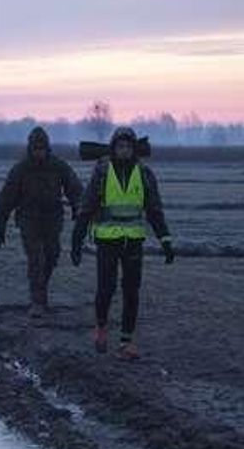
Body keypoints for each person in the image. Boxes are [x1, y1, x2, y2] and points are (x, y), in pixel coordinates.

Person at [71, 126, 175, 360]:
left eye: (128, 146)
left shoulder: (145, 174)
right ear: (113, 148)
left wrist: (165, 240)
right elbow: (86, 208)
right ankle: (101, 328)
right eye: (120, 146)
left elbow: (154, 211)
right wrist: (76, 241)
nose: (124, 150)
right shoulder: (102, 173)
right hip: (107, 241)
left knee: (131, 292)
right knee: (106, 289)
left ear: (134, 149)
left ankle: (126, 343)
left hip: (134, 242)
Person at [0, 126, 83, 322]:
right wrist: (0, 222)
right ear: (30, 149)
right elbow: (7, 197)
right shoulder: (21, 169)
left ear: (47, 148)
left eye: (42, 148)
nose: (39, 152)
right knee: (36, 258)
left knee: (52, 256)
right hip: (28, 218)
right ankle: (37, 302)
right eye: (35, 148)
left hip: (53, 218)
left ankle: (41, 291)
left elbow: (74, 189)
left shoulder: (59, 166)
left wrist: (78, 208)